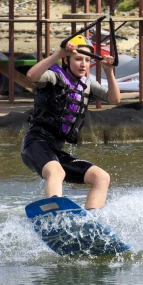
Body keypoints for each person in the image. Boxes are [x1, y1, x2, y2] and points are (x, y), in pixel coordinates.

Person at [22, 34, 120, 210]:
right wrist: (58, 54)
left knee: (101, 177)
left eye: (87, 60)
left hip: (57, 150)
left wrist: (109, 71)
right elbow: (31, 75)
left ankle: (91, 220)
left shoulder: (88, 84)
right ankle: (55, 215)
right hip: (36, 142)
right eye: (78, 59)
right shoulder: (54, 77)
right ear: (66, 61)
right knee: (56, 172)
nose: (83, 64)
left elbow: (114, 99)